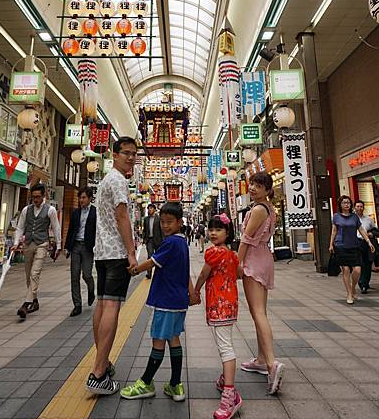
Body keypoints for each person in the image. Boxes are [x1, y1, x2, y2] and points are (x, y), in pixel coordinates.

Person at [121, 202, 198, 402]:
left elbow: (153, 261)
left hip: (166, 300)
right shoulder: (182, 243)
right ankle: (175, 385)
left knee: (158, 341)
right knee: (173, 339)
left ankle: (146, 382)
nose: (165, 226)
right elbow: (185, 271)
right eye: (162, 222)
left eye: (170, 222)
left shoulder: (171, 242)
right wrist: (192, 294)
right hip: (178, 301)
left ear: (180, 222)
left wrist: (135, 269)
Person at [86, 136, 138, 396]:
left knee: (102, 305)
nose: (130, 157)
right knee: (112, 308)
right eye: (125, 153)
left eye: (133, 154)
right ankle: (97, 373)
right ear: (114, 155)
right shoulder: (118, 181)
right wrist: (131, 252)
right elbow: (122, 216)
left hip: (102, 253)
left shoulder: (106, 179)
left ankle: (103, 363)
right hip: (116, 252)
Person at [237, 171, 284, 395]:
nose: (253, 188)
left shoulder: (257, 209)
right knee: (260, 312)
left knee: (258, 313)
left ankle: (271, 364)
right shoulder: (269, 208)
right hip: (264, 257)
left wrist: (237, 263)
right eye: (252, 184)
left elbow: (246, 239)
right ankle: (261, 359)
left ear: (267, 189)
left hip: (254, 260)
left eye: (259, 185)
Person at [194, 213, 242, 419]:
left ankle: (230, 396)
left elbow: (204, 274)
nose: (213, 233)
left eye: (218, 229)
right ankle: (225, 379)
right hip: (230, 304)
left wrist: (195, 291)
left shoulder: (213, 253)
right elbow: (239, 273)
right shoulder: (232, 254)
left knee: (225, 348)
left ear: (227, 232)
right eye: (211, 229)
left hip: (219, 305)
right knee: (225, 342)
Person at [11, 183, 61, 320]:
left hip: (42, 244)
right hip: (28, 245)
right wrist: (16, 243)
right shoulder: (26, 210)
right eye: (33, 197)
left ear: (44, 196)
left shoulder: (50, 210)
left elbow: (56, 228)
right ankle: (34, 301)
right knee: (28, 275)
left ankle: (25, 305)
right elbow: (20, 227)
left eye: (38, 197)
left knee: (35, 273)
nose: (36, 200)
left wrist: (59, 246)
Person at [329, 195, 375, 304]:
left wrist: (368, 242)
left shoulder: (354, 217)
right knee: (346, 270)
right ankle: (349, 293)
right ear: (340, 204)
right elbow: (334, 231)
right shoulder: (336, 216)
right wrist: (331, 244)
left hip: (354, 246)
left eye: (348, 203)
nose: (346, 204)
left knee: (357, 270)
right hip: (341, 246)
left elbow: (361, 230)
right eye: (344, 203)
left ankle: (353, 287)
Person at [65, 186, 96, 316]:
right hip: (76, 246)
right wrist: (67, 247)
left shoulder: (96, 212)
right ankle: (77, 305)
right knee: (74, 275)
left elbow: (98, 231)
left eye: (83, 197)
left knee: (87, 274)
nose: (81, 200)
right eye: (80, 197)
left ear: (89, 198)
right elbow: (71, 230)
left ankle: (90, 289)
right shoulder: (75, 213)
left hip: (88, 247)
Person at [355, 200, 377, 294]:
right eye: (358, 206)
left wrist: (371, 234)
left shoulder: (368, 219)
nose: (359, 208)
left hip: (367, 243)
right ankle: (361, 282)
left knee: (367, 264)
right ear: (354, 208)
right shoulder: (352, 219)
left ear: (363, 208)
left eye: (361, 206)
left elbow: (376, 230)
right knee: (359, 264)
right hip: (356, 243)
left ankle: (364, 284)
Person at [143, 203, 163, 279]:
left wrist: (163, 240)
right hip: (149, 240)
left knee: (159, 257)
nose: (149, 210)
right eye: (148, 208)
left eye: (151, 208)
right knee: (150, 257)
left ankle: (159, 273)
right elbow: (144, 230)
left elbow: (161, 230)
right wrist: (145, 239)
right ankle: (149, 273)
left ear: (154, 209)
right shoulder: (146, 219)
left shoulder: (159, 218)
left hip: (158, 240)